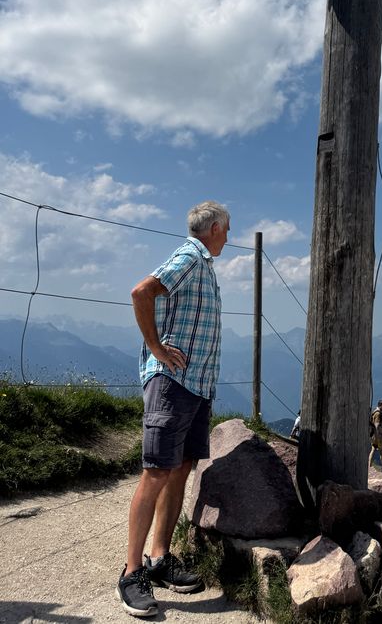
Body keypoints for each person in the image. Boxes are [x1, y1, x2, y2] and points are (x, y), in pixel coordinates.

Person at [116, 200, 229, 618]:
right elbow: (141, 291)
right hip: (173, 383)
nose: (229, 237)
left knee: (180, 468)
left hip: (196, 385)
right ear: (214, 227)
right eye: (228, 229)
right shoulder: (190, 256)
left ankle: (160, 557)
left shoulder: (202, 264)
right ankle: (131, 573)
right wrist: (156, 349)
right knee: (156, 471)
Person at [369, 399, 382, 469]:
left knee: (373, 450)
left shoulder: (374, 412)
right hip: (378, 436)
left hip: (374, 435)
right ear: (380, 405)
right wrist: (379, 435)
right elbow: (376, 426)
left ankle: (369, 466)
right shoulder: (378, 414)